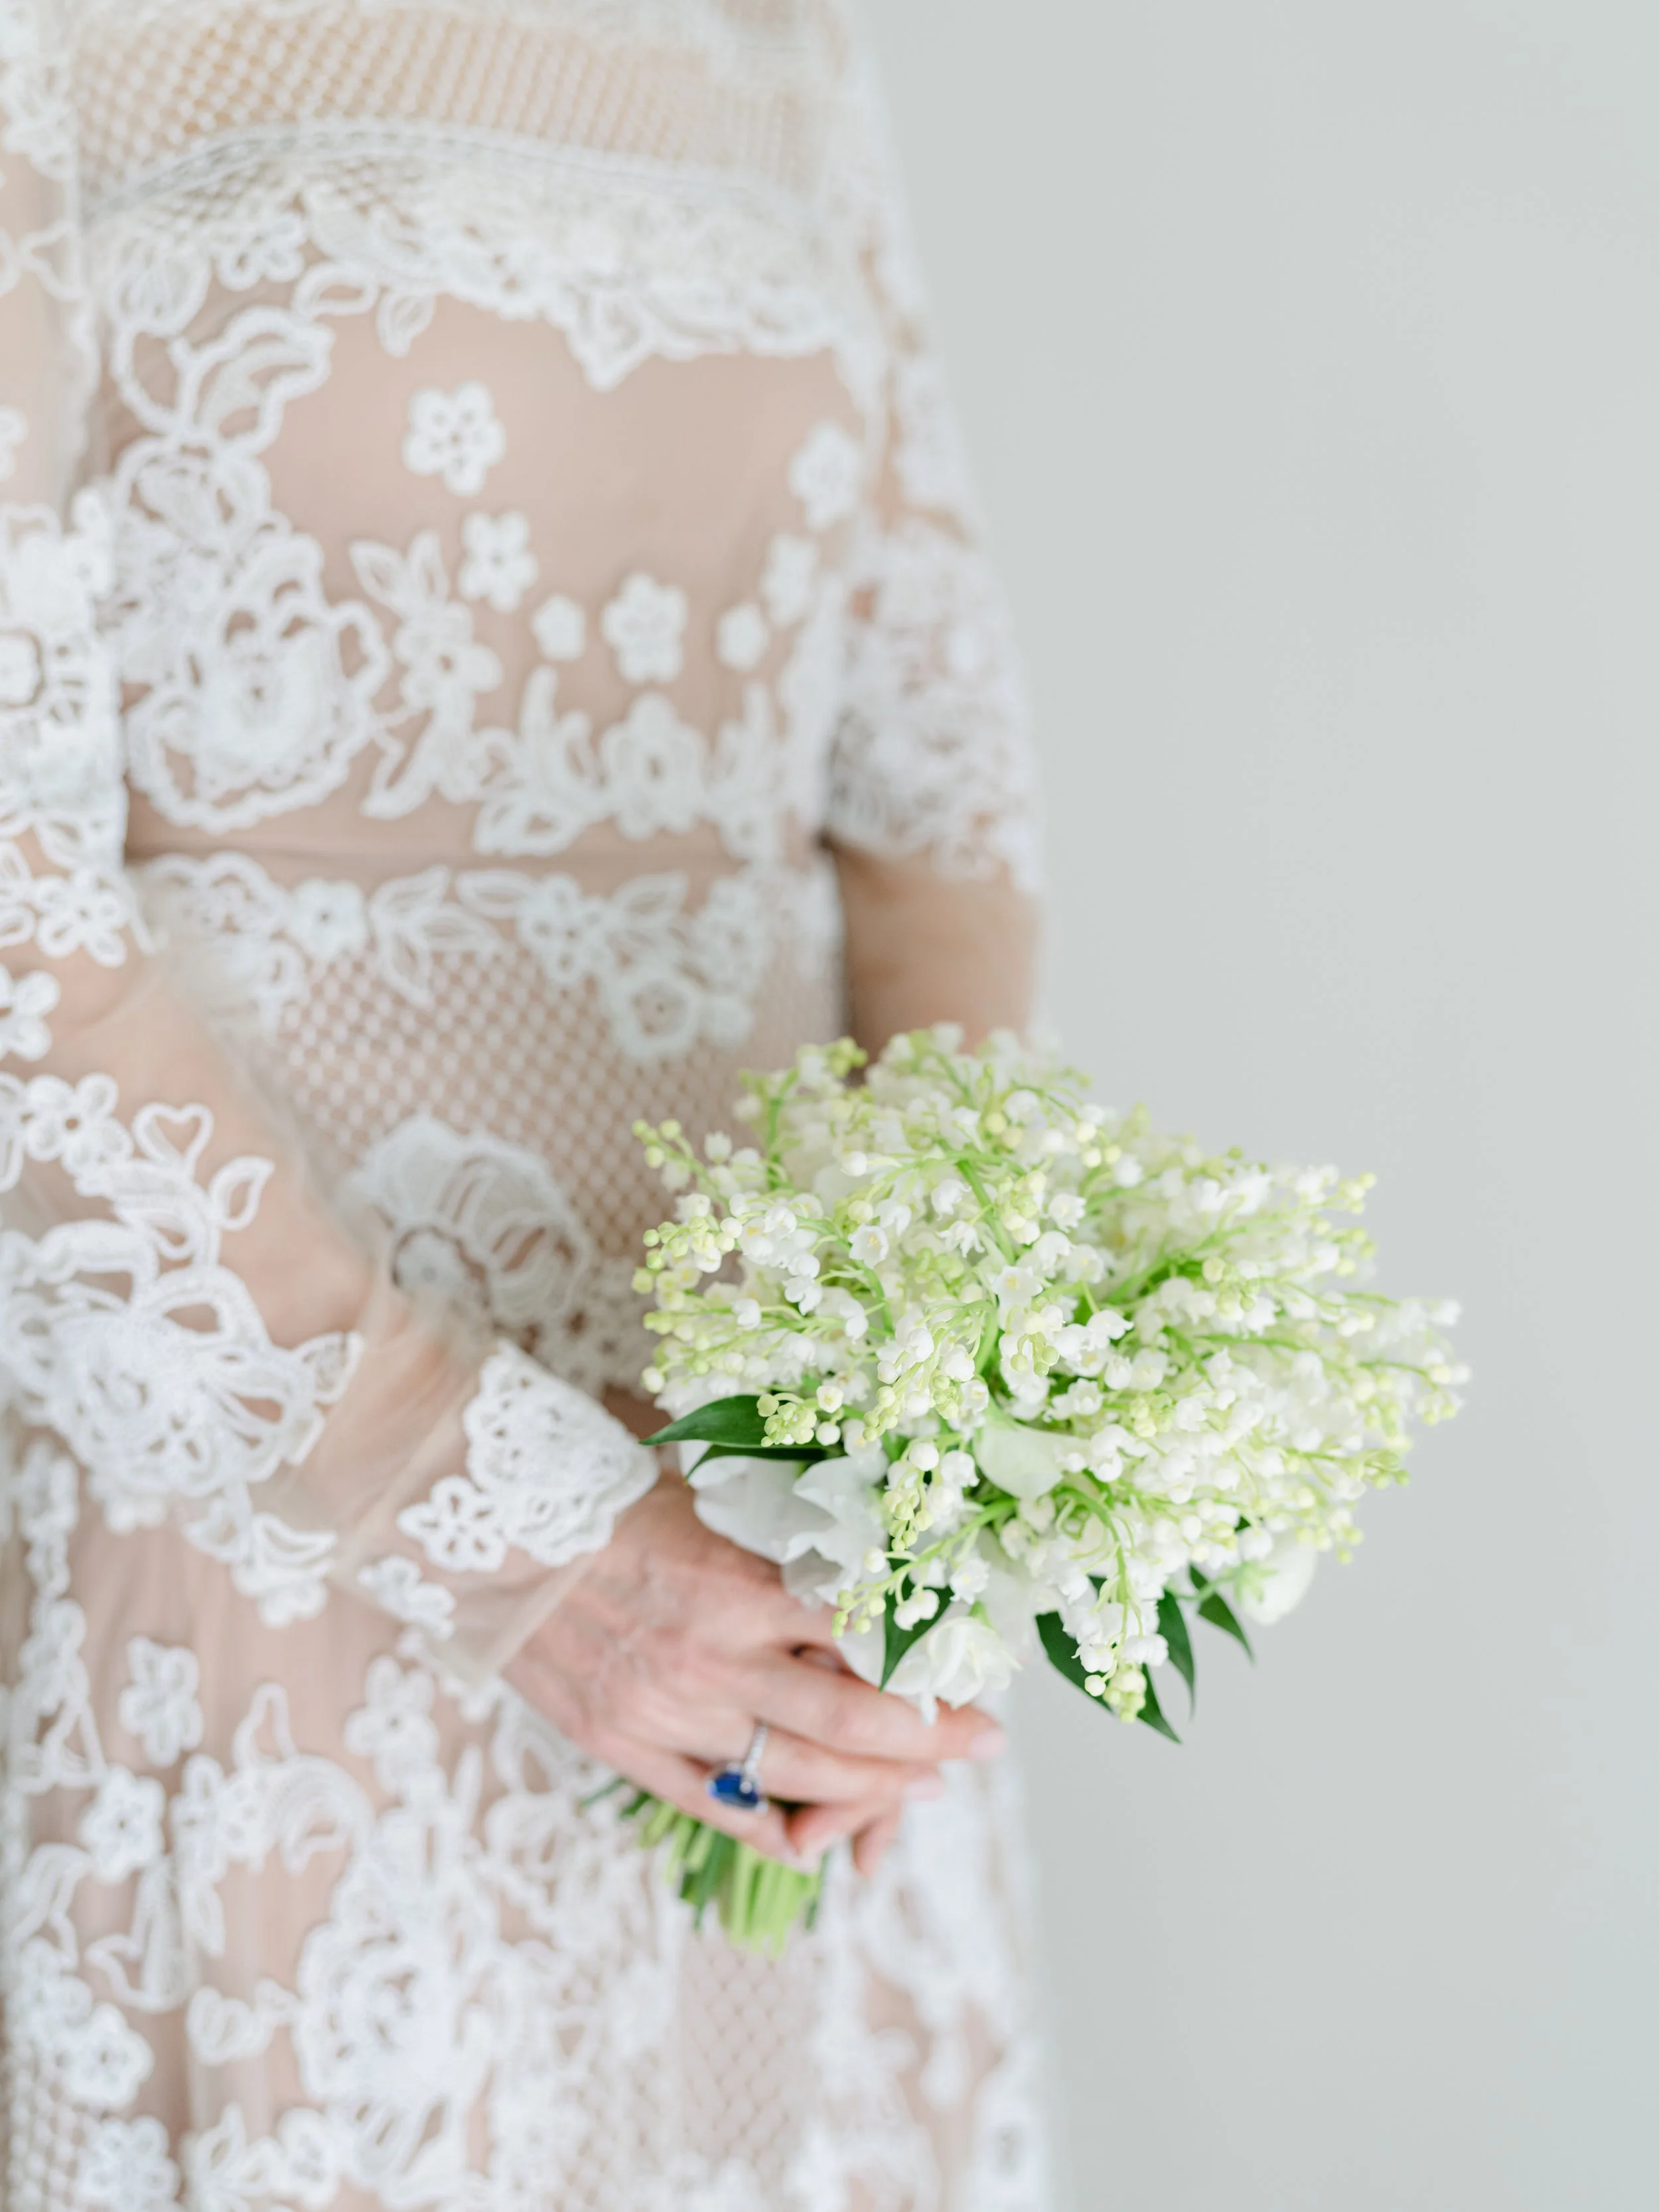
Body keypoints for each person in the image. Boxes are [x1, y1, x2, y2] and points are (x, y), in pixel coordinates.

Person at [0, 2, 1047, 2203]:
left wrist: (910, 1423)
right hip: (258, 1500)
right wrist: (494, 1523)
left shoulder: (778, 41)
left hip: (775, 1568)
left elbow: (939, 812)